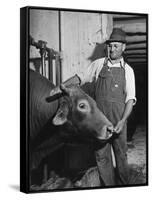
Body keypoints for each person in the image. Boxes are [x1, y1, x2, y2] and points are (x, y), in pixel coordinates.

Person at [50, 28, 136, 186]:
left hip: (118, 120)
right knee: (102, 157)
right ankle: (108, 188)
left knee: (121, 156)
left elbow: (130, 99)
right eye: (110, 46)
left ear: (124, 47)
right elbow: (80, 78)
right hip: (99, 120)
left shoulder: (128, 71)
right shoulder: (98, 64)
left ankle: (124, 188)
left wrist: (123, 121)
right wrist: (61, 86)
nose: (112, 49)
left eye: (116, 46)